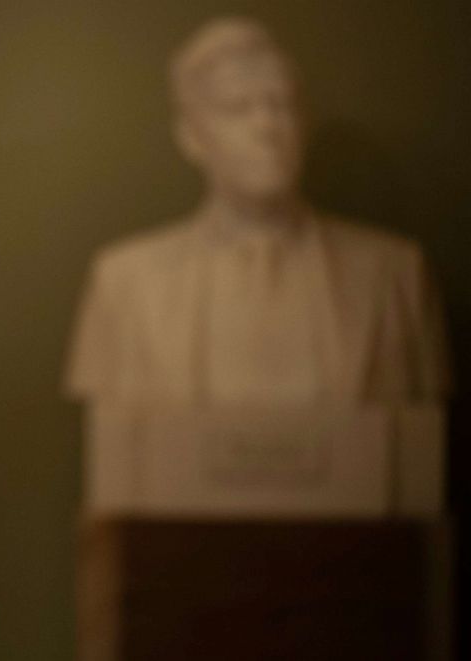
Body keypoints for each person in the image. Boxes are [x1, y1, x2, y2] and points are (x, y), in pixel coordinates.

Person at [66, 18, 449, 515]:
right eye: (238, 109)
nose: (268, 126)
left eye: (282, 104)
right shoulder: (125, 283)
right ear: (191, 136)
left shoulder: (394, 275)